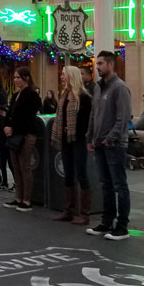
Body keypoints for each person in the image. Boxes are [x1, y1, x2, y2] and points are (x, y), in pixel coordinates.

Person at [85, 50, 132, 240]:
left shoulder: (119, 88)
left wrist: (110, 138)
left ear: (111, 65)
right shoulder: (98, 87)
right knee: (105, 184)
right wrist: (90, 137)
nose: (97, 68)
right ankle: (106, 221)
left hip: (114, 144)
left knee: (119, 185)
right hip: (99, 143)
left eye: (101, 64)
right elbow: (94, 114)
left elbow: (123, 117)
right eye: (97, 64)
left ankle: (122, 226)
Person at [51, 66, 93, 224]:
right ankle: (68, 210)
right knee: (68, 173)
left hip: (78, 140)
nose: (61, 77)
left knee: (81, 173)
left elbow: (85, 121)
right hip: (65, 139)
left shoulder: (83, 97)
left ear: (71, 77)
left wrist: (76, 132)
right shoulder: (64, 95)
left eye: (63, 74)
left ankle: (84, 213)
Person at [2, 66, 42, 211]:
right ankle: (18, 197)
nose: (16, 80)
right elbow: (9, 114)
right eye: (15, 77)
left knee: (25, 167)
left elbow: (29, 117)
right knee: (15, 167)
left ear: (26, 78)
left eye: (18, 77)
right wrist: (6, 126)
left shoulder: (31, 94)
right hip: (14, 135)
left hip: (26, 134)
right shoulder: (15, 95)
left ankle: (27, 200)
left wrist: (13, 128)